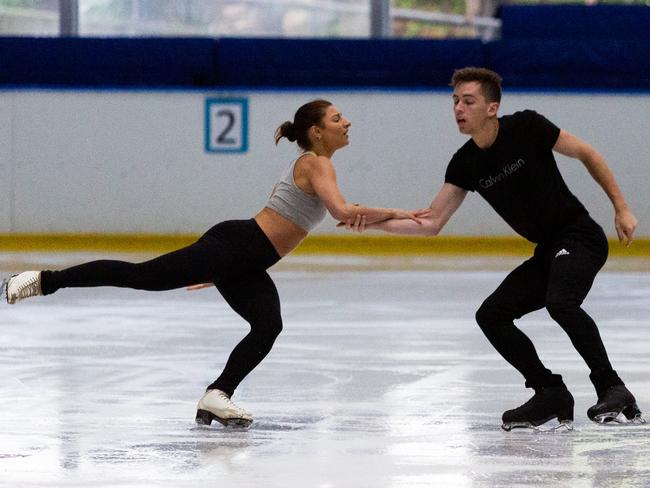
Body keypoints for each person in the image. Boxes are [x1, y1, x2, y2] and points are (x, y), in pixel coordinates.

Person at [1, 99, 420, 428]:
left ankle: (217, 394)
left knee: (267, 325)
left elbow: (344, 211)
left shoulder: (320, 165)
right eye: (337, 118)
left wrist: (391, 214)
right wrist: (404, 213)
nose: (346, 123)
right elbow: (343, 212)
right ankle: (43, 280)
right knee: (142, 276)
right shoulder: (316, 162)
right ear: (316, 131)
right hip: (235, 246)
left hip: (244, 261)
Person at [343, 67, 643, 431]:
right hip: (548, 250)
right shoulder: (465, 162)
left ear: (492, 107)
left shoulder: (527, 127)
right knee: (492, 315)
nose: (458, 108)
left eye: (468, 101)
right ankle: (550, 391)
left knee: (560, 302)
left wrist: (621, 207)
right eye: (455, 101)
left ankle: (612, 386)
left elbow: (587, 153)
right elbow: (432, 222)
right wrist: (371, 222)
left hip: (580, 237)